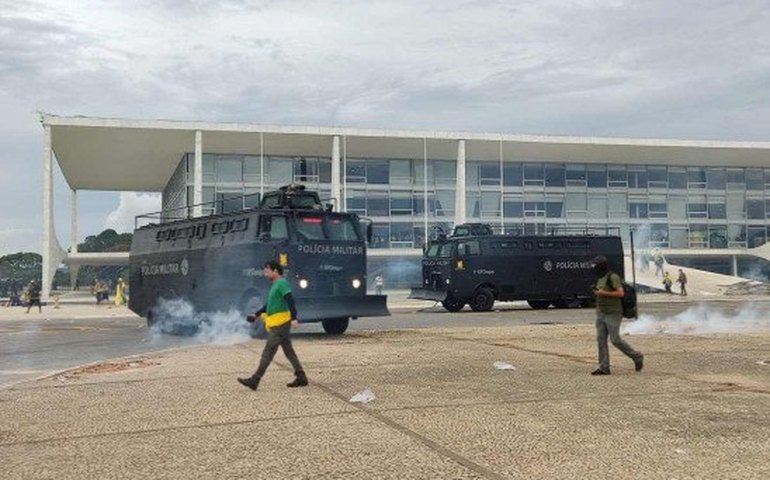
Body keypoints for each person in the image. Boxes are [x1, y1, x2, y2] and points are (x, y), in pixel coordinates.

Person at [238, 261, 307, 391]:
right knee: (289, 351)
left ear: (275, 271)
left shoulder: (282, 284)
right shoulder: (276, 285)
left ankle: (255, 379)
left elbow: (290, 300)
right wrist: (256, 315)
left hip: (280, 323)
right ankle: (301, 376)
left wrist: (294, 318)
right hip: (279, 322)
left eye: (267, 271)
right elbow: (268, 306)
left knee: (268, 351)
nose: (265, 274)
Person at [590, 255, 643, 375]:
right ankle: (604, 367)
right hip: (601, 314)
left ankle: (637, 356)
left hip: (613, 313)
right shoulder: (600, 279)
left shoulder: (613, 277)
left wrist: (603, 292)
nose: (593, 268)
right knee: (601, 340)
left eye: (595, 266)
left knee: (615, 339)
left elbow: (620, 293)